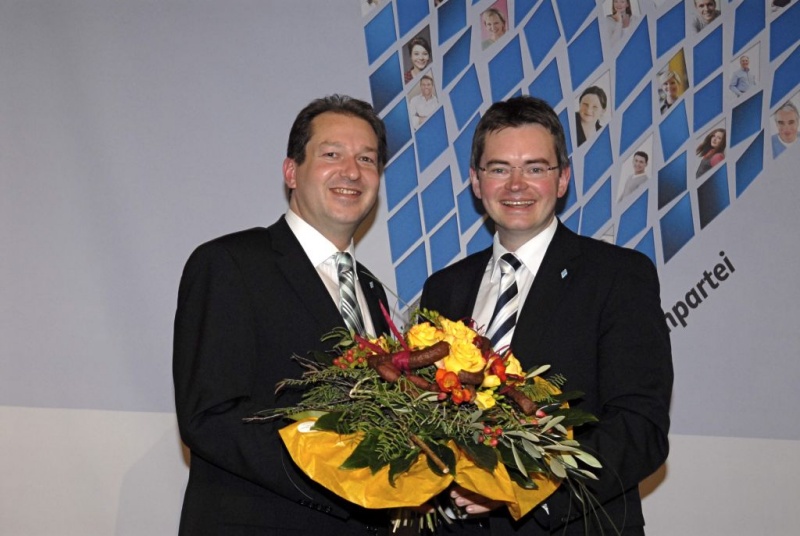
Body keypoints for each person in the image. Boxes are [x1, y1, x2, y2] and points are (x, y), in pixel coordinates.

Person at [420, 95, 673, 535]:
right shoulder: (444, 287)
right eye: (499, 169)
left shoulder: (618, 276)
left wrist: (520, 487)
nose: (516, 185)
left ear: (563, 179)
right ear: (476, 182)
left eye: (535, 168)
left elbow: (639, 429)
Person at [173, 95, 395, 535]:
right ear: (292, 172)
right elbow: (210, 416)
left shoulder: (372, 291)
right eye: (332, 154)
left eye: (367, 159)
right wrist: (344, 478)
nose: (352, 171)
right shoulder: (231, 263)